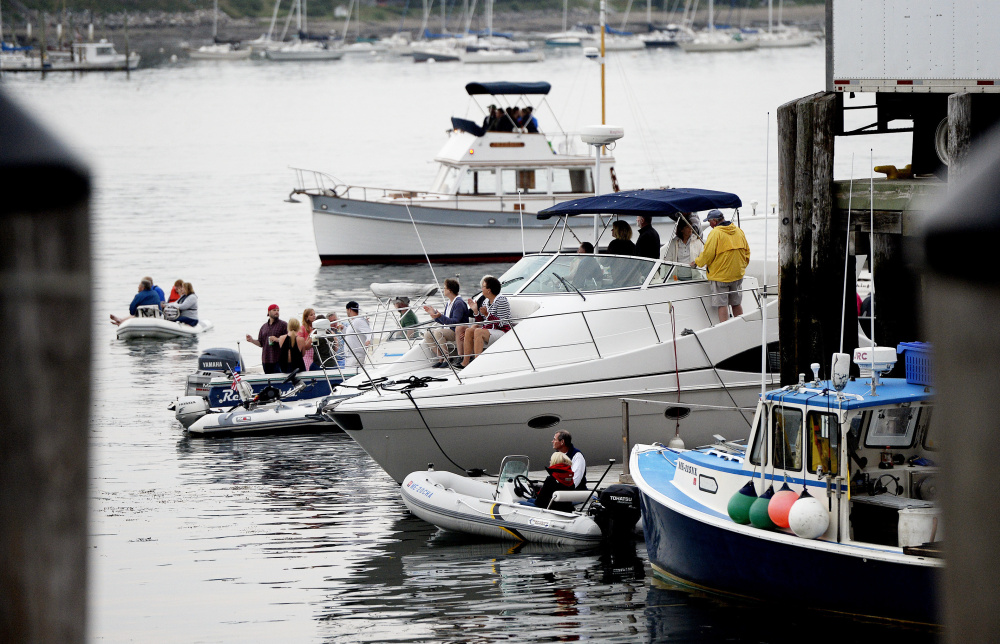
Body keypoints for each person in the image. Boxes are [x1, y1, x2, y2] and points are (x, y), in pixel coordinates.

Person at [691, 209, 751, 322]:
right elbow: (747, 252)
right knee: (736, 304)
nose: (709, 224)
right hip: (737, 275)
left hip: (720, 277)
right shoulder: (738, 231)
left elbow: (707, 254)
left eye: (709, 222)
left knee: (722, 305)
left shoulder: (715, 233)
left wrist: (697, 262)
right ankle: (741, 326)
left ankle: (725, 328)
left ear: (714, 221)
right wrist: (741, 267)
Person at [460, 275, 511, 368]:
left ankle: (477, 364)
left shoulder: (502, 300)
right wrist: (475, 311)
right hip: (490, 329)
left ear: (489, 290)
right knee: (469, 331)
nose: (481, 289)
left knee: (478, 331)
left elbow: (502, 323)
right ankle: (465, 362)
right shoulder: (486, 301)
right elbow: (483, 320)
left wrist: (487, 314)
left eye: (483, 287)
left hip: (502, 331)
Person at [422, 278, 469, 367]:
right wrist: (435, 315)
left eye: (445, 288)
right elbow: (445, 321)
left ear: (450, 290)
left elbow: (455, 322)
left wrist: (439, 316)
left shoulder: (459, 303)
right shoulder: (449, 303)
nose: (443, 290)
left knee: (438, 332)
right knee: (427, 334)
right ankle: (441, 358)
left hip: (456, 330)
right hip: (449, 329)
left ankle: (447, 358)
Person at [245, 304, 287, 374]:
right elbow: (261, 343)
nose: (276, 312)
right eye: (274, 310)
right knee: (269, 382)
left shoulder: (283, 325)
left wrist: (277, 339)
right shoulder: (264, 327)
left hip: (279, 360)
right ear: (269, 312)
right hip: (266, 360)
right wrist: (252, 340)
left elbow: (289, 339)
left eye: (278, 310)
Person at [343, 301, 373, 368]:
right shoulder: (354, 322)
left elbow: (369, 332)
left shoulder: (358, 321)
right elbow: (352, 334)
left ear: (349, 310)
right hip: (351, 356)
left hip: (356, 356)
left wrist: (368, 340)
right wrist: (343, 329)